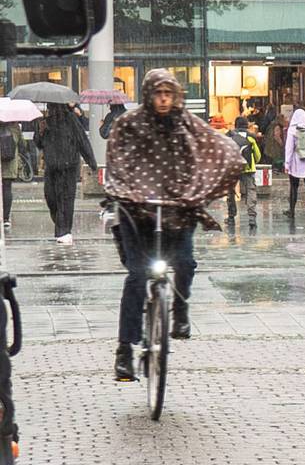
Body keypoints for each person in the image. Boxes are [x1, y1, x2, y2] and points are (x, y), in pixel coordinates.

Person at [103, 70, 242, 381]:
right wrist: (127, 191)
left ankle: (180, 310)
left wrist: (209, 180)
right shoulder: (129, 124)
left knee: (186, 263)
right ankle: (125, 350)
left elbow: (214, 145)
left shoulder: (185, 122)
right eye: (158, 94)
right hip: (137, 211)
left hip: (177, 210)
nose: (164, 100)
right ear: (149, 94)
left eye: (169, 94)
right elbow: (117, 161)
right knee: (138, 276)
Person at [35, 99, 96, 245]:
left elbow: (82, 141)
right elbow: (38, 143)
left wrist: (91, 162)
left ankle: (64, 232)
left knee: (66, 199)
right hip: (51, 168)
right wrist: (40, 131)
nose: (52, 109)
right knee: (51, 198)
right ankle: (61, 227)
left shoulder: (71, 119)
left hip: (69, 167)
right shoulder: (45, 122)